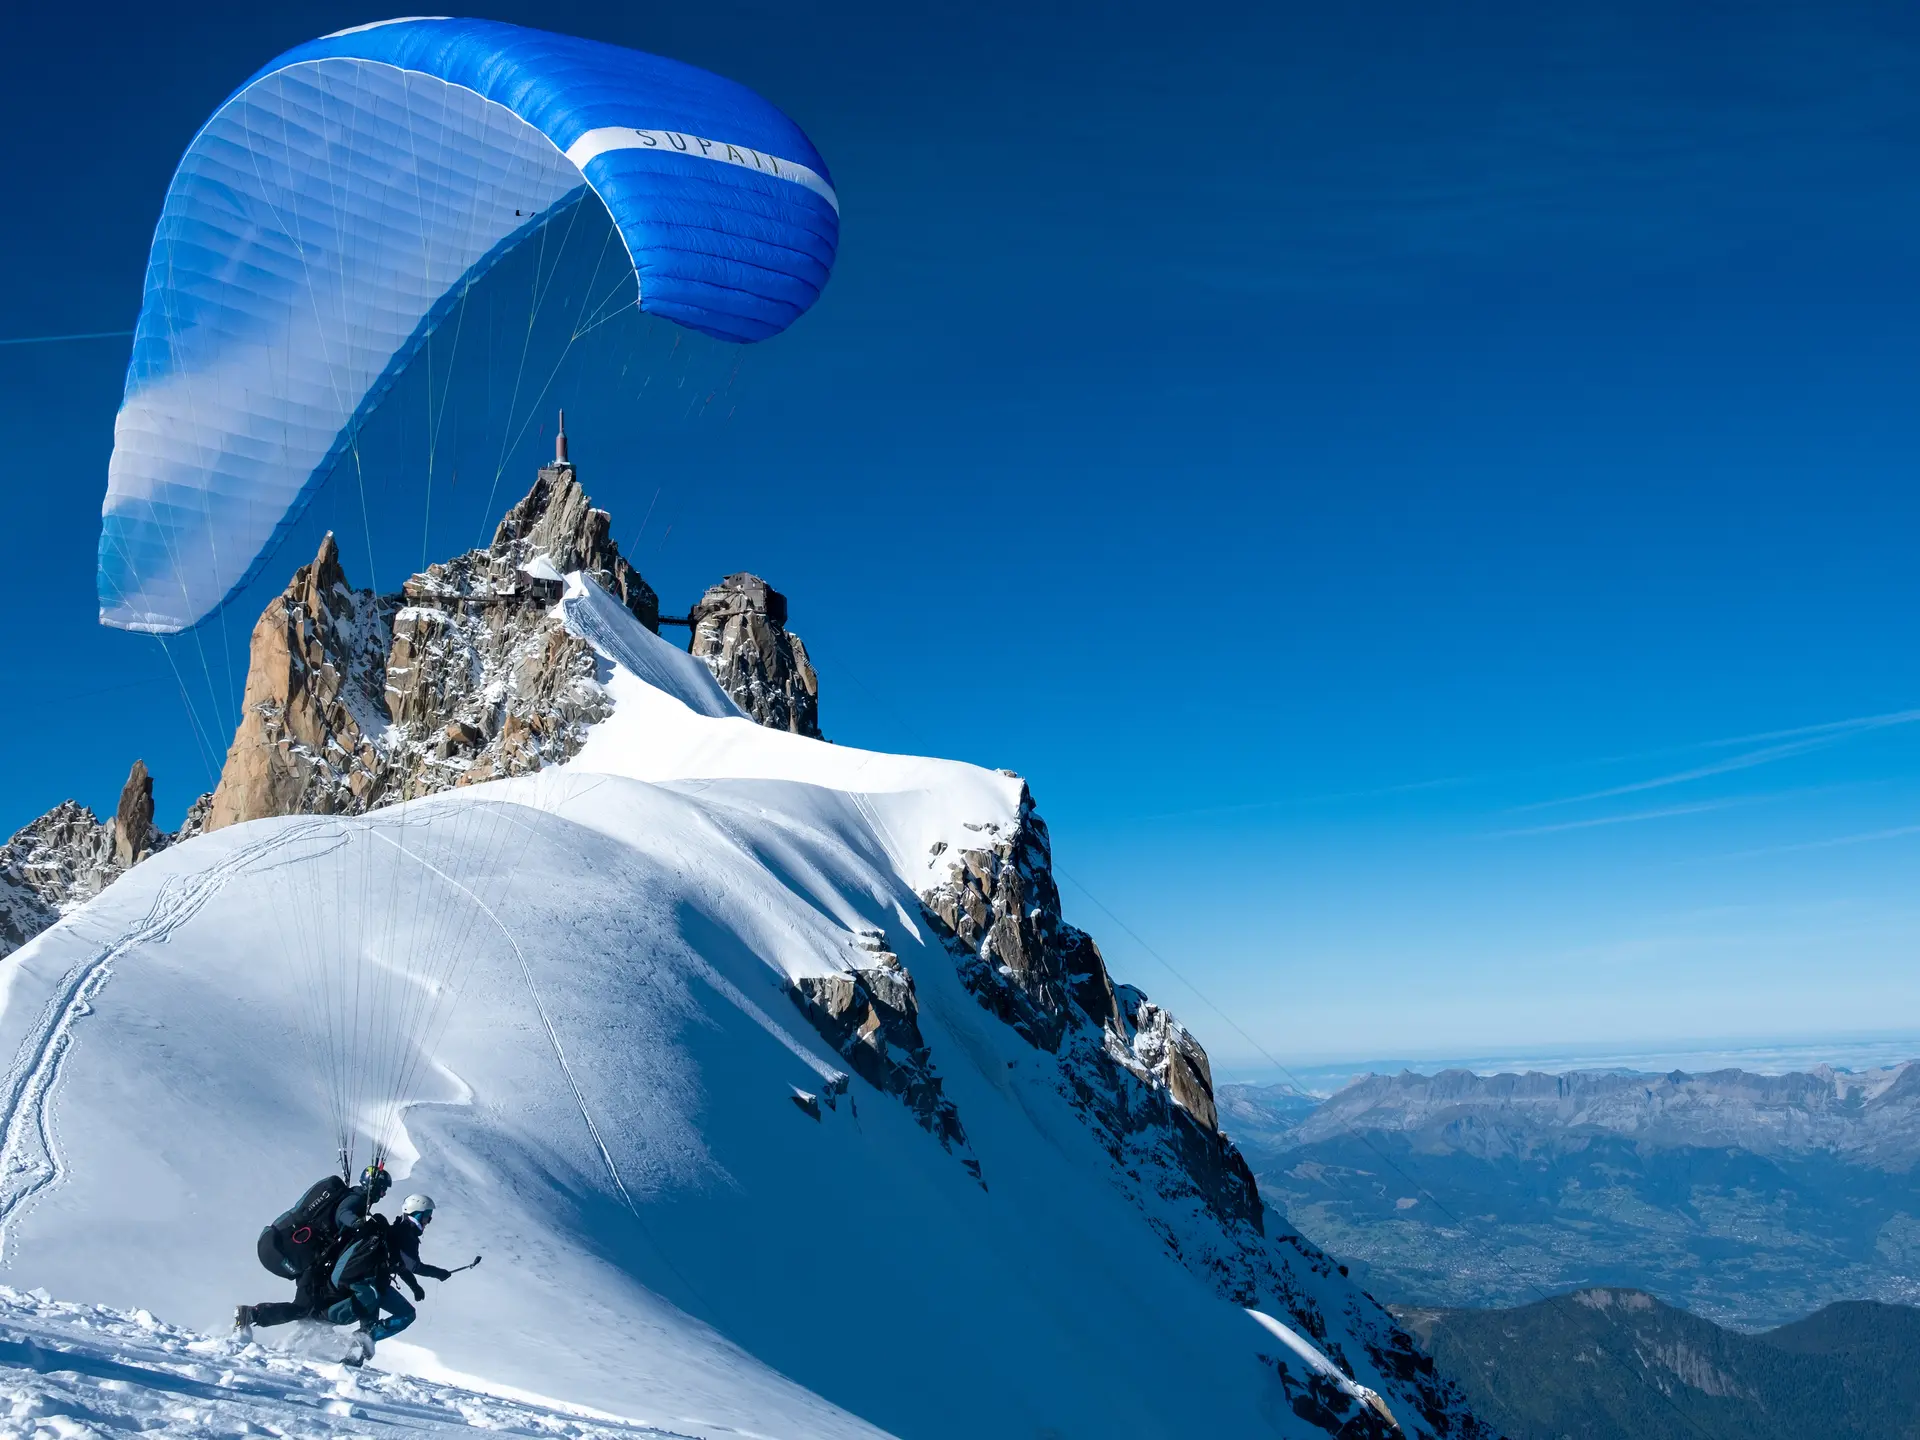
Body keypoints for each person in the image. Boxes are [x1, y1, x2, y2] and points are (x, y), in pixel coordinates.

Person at [237, 1163, 392, 1337]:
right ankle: (250, 1314)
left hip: (273, 1245)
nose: (383, 1194)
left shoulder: (350, 1196)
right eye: (383, 1189)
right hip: (279, 1253)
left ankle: (304, 1337)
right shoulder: (357, 1198)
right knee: (304, 1307)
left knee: (310, 1304)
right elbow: (343, 1212)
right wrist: (357, 1223)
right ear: (374, 1186)